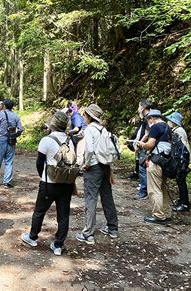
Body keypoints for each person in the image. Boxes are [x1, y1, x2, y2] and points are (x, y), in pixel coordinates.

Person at [21, 111, 75, 256]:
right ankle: (58, 245)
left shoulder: (47, 140)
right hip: (67, 182)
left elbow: (39, 162)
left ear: (53, 124)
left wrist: (43, 176)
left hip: (49, 183)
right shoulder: (70, 140)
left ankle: (32, 237)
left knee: (39, 211)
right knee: (63, 215)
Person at [76, 104, 119, 244]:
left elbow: (89, 149)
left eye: (85, 115)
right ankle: (113, 228)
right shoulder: (104, 130)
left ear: (89, 116)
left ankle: (88, 234)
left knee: (91, 198)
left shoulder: (89, 130)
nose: (84, 117)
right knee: (107, 196)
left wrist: (86, 163)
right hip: (105, 166)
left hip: (93, 167)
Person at [136, 109, 172, 224]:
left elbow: (150, 145)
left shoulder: (156, 127)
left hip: (155, 161)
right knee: (163, 188)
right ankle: (166, 213)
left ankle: (158, 215)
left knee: (154, 189)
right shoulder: (168, 128)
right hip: (165, 162)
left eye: (148, 119)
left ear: (152, 118)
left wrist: (142, 144)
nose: (148, 122)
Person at [0, 99, 24, 188]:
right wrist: (14, 135)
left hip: (1, 140)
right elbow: (20, 129)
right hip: (11, 141)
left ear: (4, 105)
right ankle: (7, 182)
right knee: (9, 161)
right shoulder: (16, 116)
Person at [166, 112, 191, 212]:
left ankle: (184, 204)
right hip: (181, 160)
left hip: (182, 160)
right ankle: (182, 201)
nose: (168, 122)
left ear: (174, 122)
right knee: (180, 181)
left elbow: (182, 148)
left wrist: (182, 162)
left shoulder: (179, 131)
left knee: (181, 182)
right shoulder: (176, 130)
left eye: (170, 120)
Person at [132, 99, 152, 200]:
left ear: (143, 107)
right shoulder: (146, 118)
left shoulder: (149, 118)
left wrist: (139, 143)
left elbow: (147, 133)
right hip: (145, 145)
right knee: (143, 168)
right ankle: (145, 190)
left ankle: (143, 192)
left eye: (139, 106)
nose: (138, 108)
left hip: (146, 146)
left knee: (143, 168)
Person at [66, 102, 87, 167]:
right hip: (78, 137)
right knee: (78, 153)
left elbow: (76, 129)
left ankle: (79, 169)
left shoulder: (75, 116)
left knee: (79, 153)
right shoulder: (75, 115)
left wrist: (68, 132)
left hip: (81, 137)